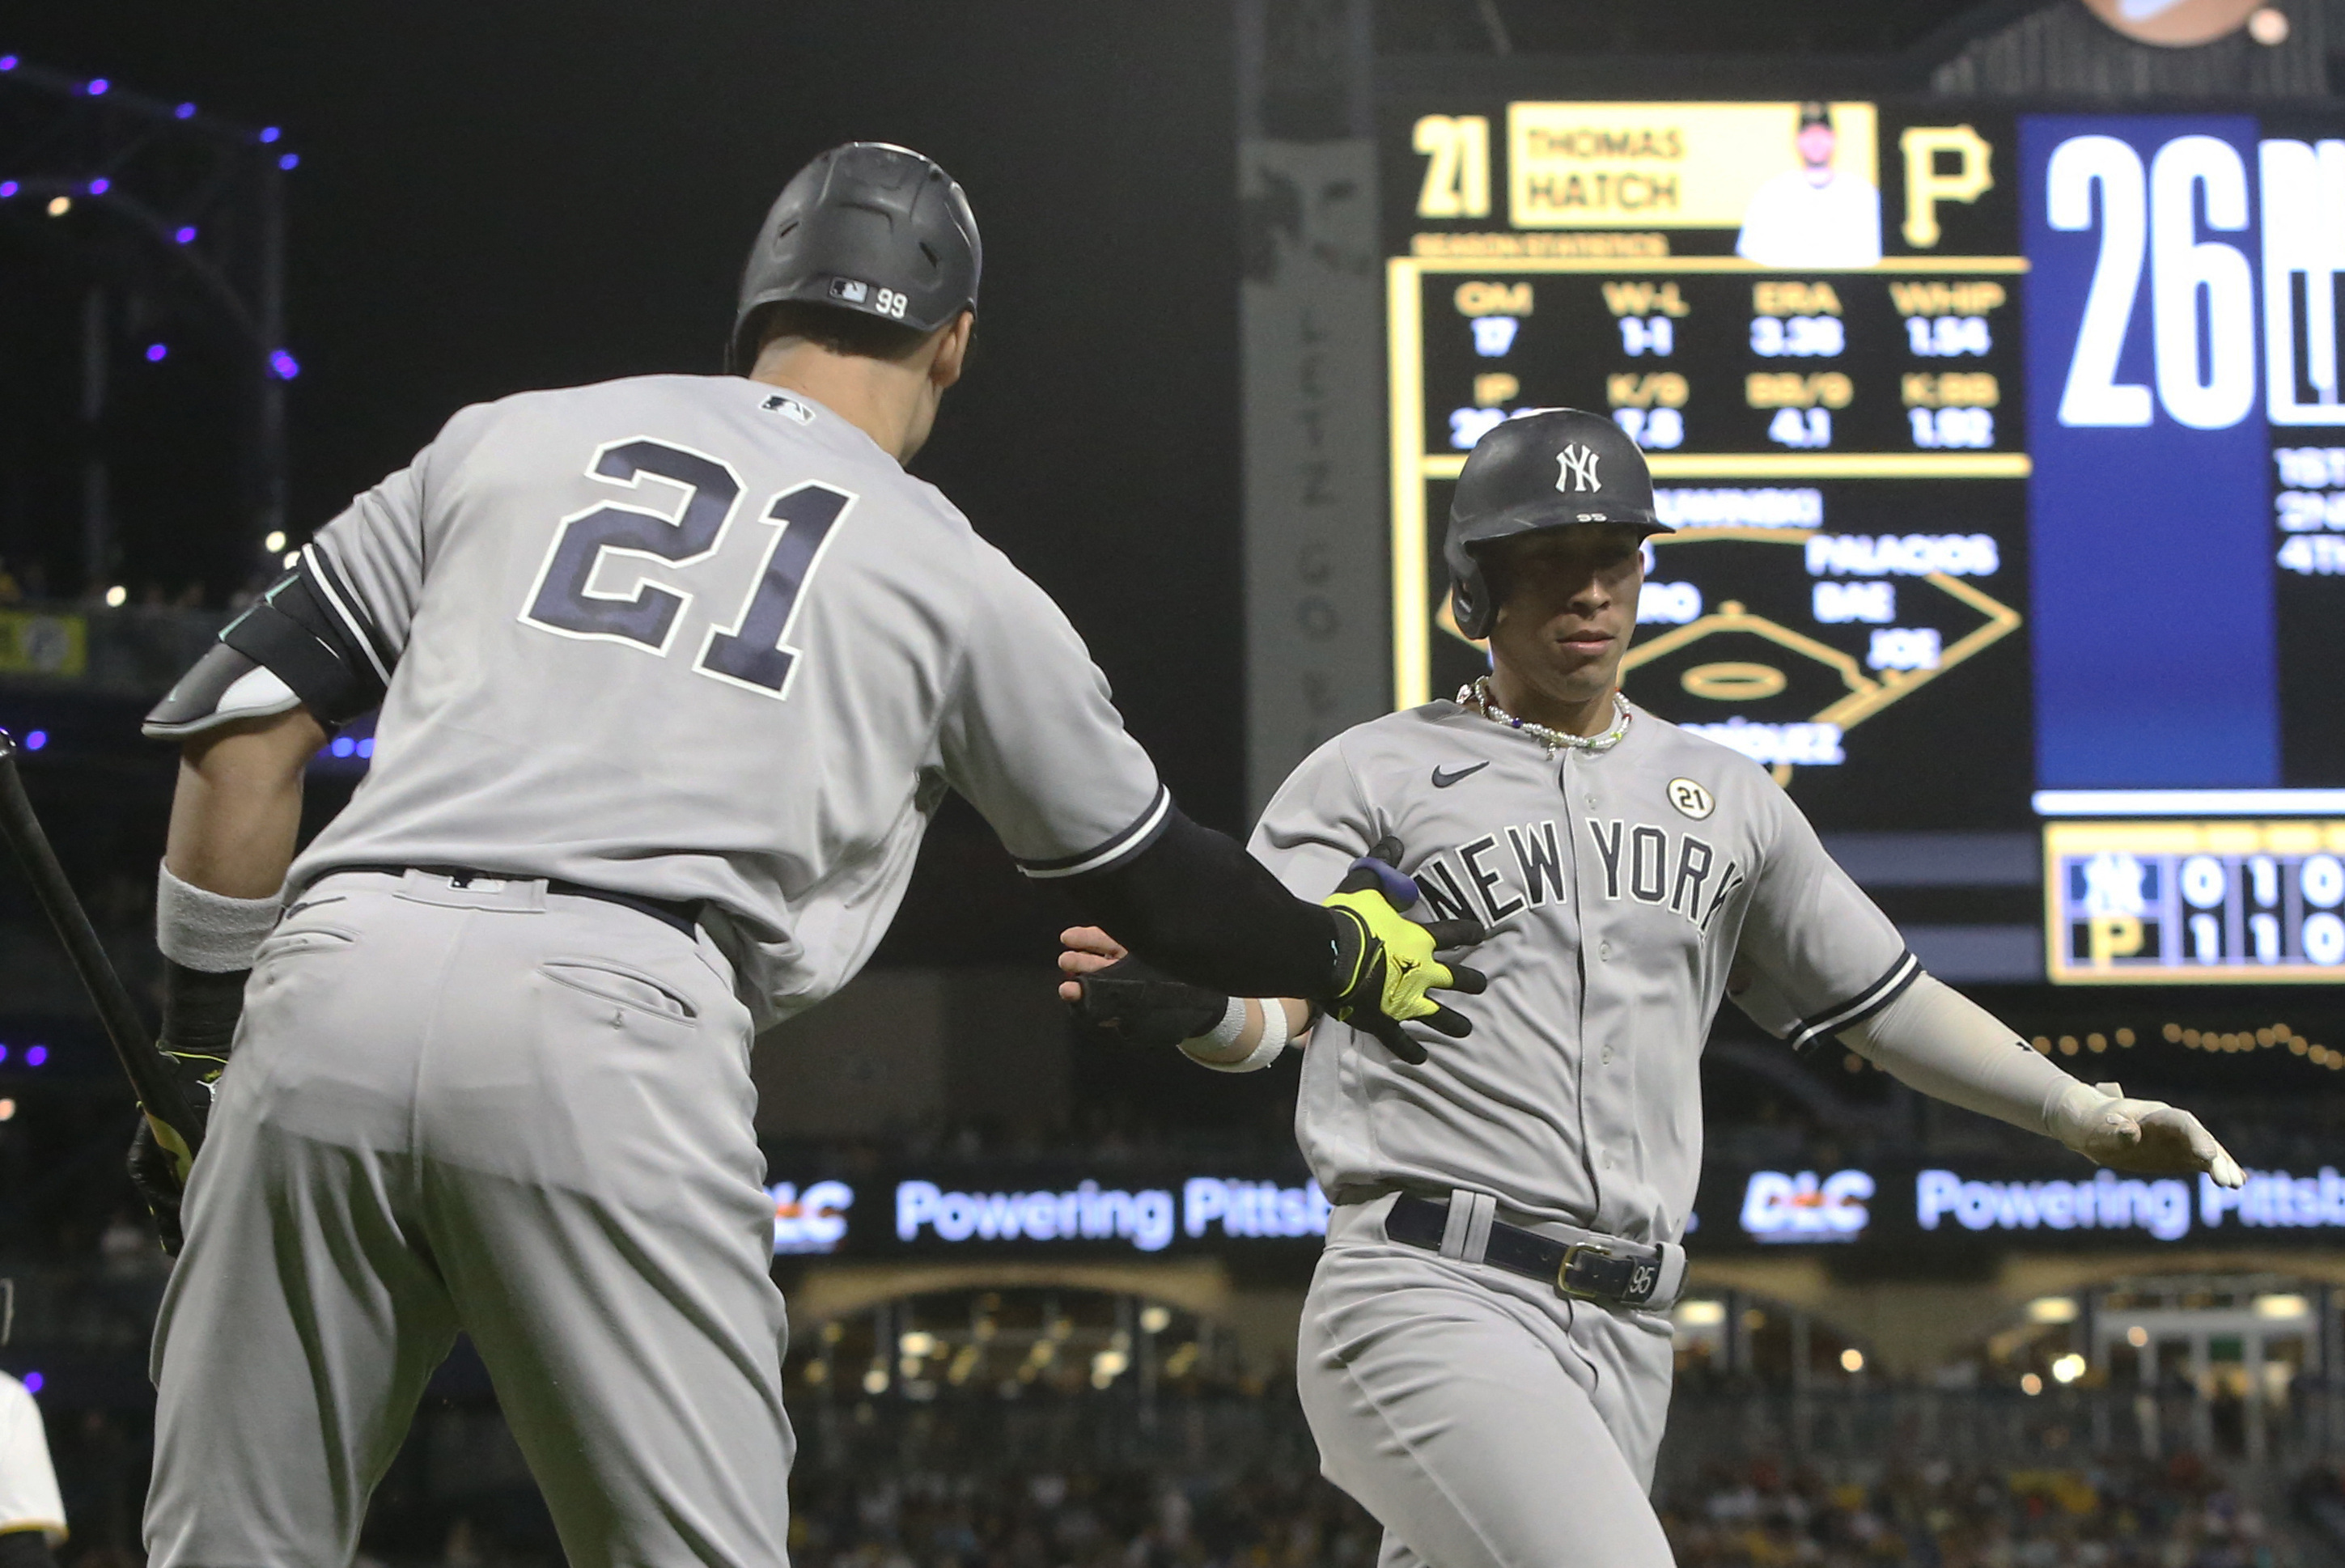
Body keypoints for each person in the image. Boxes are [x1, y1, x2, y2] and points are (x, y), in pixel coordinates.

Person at [124, 142, 1478, 1568]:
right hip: (614, 1011)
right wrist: (1338, 952)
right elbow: (1152, 882)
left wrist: (200, 1054)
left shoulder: (501, 438)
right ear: (954, 342)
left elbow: (245, 730)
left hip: (335, 970)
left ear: (757, 301)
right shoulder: (955, 575)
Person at [1062, 407, 2244, 1568]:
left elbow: (1885, 997)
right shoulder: (1373, 773)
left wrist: (2075, 1109)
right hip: (1428, 1290)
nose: (1588, 591)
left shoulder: (1727, 796)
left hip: (1627, 1327)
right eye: (1549, 561)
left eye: (1612, 558)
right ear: (1477, 587)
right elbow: (1281, 985)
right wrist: (1214, 1015)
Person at [1734, 101, 1882, 269]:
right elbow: (1751, 258)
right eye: (1808, 134)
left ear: (1834, 138)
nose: (1816, 141)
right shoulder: (1773, 194)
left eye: (1822, 133)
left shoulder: (1862, 194)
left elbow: (1876, 258)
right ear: (1797, 140)